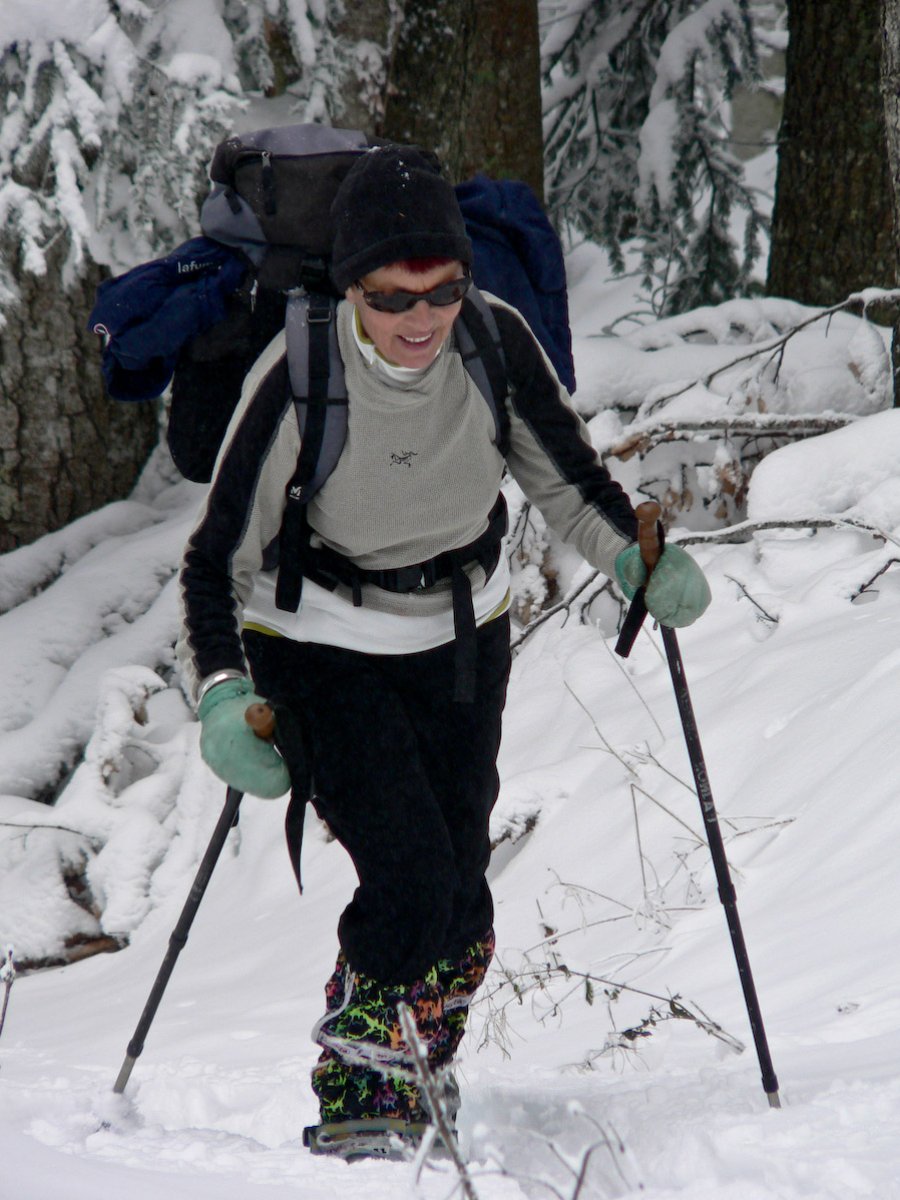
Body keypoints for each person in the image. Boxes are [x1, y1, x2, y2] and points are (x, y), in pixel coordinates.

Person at [176, 144, 710, 1150]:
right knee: (413, 879)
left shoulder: (494, 343)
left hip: (462, 635)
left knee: (462, 902)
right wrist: (219, 694)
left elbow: (572, 486)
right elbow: (216, 561)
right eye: (391, 297)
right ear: (352, 287)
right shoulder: (298, 375)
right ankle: (360, 1089)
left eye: (443, 290)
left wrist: (635, 561)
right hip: (319, 640)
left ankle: (420, 1062)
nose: (420, 319)